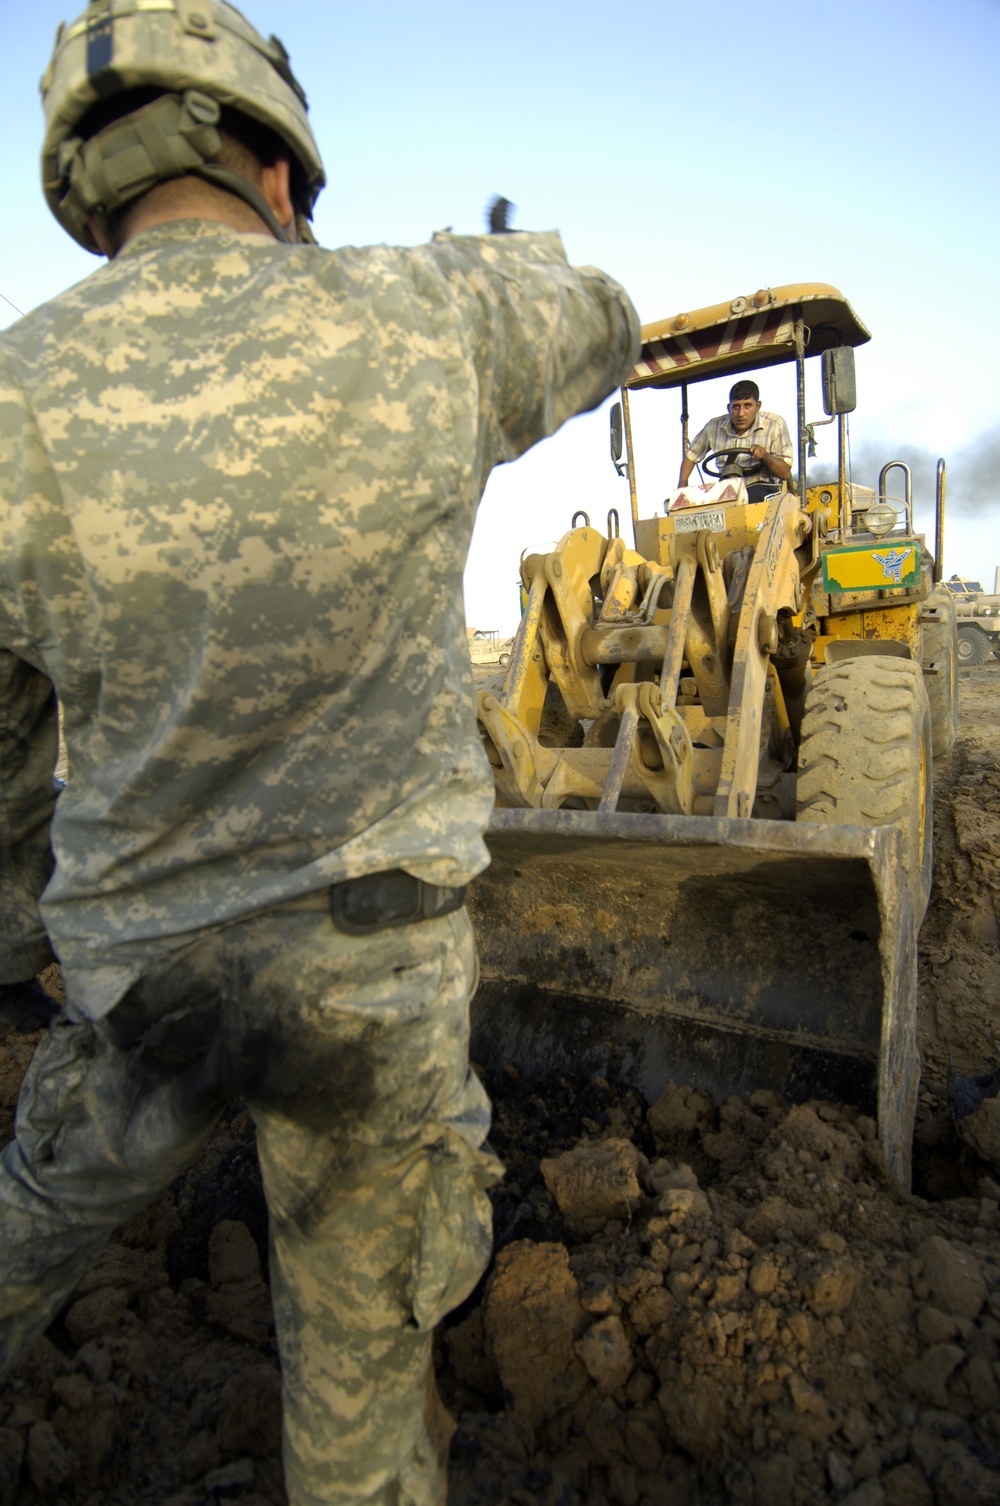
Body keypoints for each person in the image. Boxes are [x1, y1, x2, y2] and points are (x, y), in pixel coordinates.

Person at [0, 3, 641, 1503]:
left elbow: (6, 754)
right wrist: (505, 260)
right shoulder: (423, 313)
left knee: (27, 1232)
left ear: (89, 192)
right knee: (357, 1425)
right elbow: (604, 318)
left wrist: (34, 927)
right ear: (280, 169)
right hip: (367, 984)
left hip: (142, 982)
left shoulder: (14, 397)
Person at [678, 379, 793, 501]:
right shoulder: (713, 427)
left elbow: (785, 472)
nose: (741, 413)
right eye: (736, 407)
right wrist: (682, 487)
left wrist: (765, 456)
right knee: (699, 501)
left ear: (758, 406)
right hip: (726, 490)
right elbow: (691, 455)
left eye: (747, 406)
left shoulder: (775, 425)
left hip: (763, 487)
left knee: (749, 497)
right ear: (729, 408)